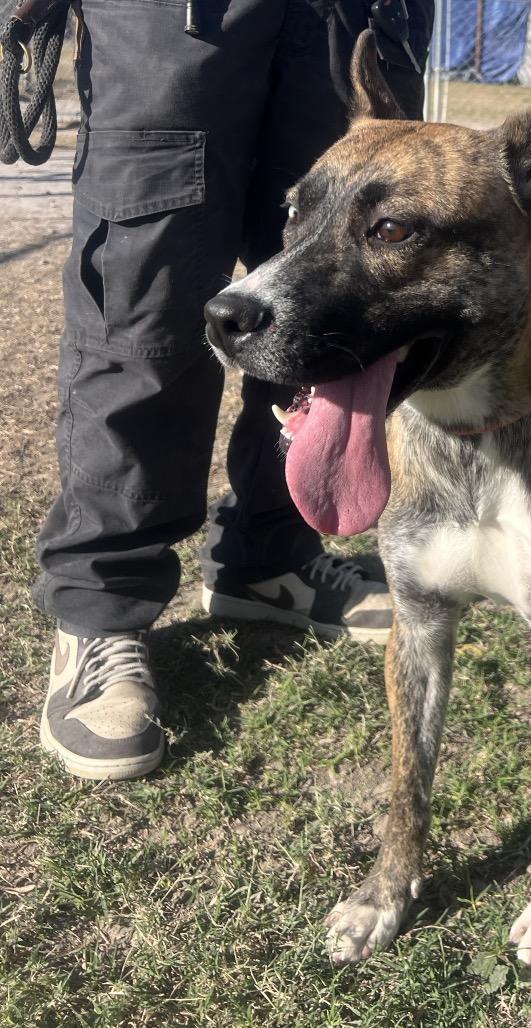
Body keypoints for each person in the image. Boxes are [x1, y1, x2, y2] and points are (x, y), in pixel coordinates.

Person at [33, 0, 433, 782]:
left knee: (336, 298)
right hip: (174, 19)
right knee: (144, 302)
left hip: (361, 12)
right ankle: (101, 603)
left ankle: (269, 556)